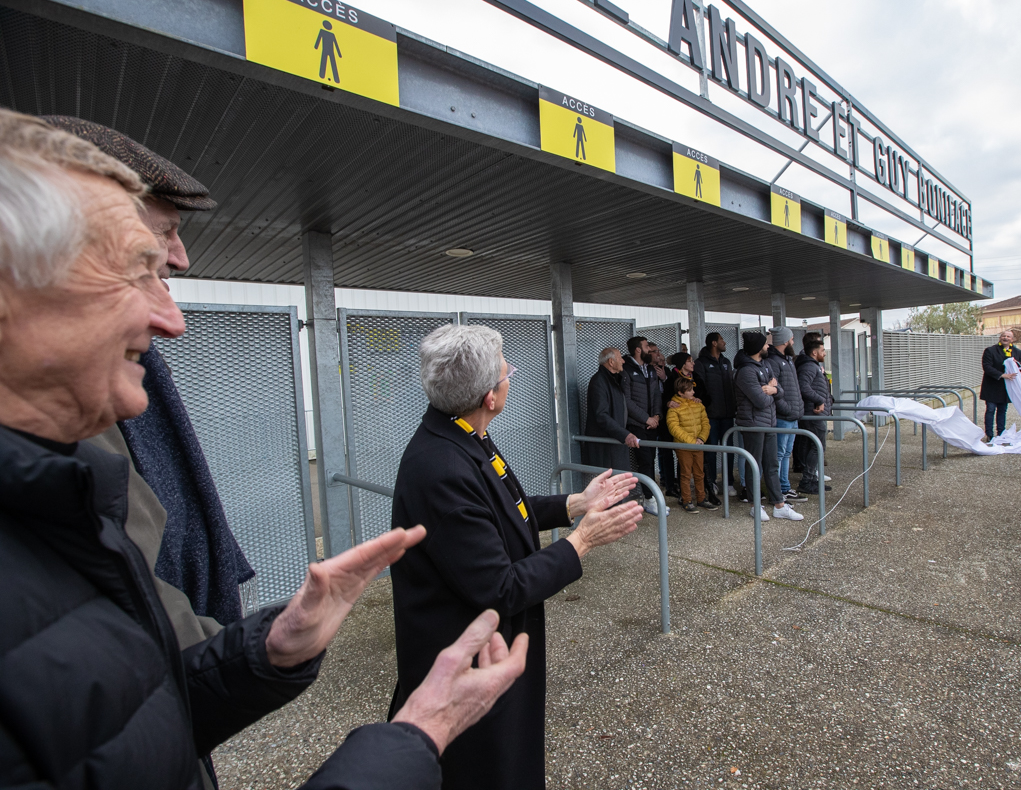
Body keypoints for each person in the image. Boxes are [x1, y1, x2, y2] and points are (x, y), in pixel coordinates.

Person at [0, 110, 524, 790]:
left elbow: (113, 724)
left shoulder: (59, 506)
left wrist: (263, 651)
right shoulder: (439, 456)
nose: (172, 319)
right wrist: (415, 739)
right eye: (140, 268)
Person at [388, 324, 644, 790]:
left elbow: (506, 513)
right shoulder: (442, 467)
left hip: (485, 654)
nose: (511, 375)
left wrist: (575, 505)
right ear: (490, 396)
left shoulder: (464, 433)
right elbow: (500, 586)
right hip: (466, 666)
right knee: (486, 770)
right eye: (508, 370)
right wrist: (582, 541)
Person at [41, 114, 251, 652]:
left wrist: (266, 652)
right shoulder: (60, 423)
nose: (181, 257)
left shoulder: (111, 380)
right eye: (159, 240)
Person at [734, 331, 803, 522]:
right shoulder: (746, 371)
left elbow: (779, 390)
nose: (768, 347)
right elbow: (760, 401)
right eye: (765, 345)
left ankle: (779, 504)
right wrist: (771, 392)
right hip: (754, 424)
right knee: (754, 465)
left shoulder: (764, 365)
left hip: (770, 423)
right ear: (757, 348)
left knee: (772, 464)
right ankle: (755, 505)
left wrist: (772, 389)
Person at [622, 335, 666, 514]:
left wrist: (656, 416)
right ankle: (649, 499)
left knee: (651, 460)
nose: (650, 350)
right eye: (647, 347)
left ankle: (651, 497)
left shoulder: (650, 369)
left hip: (651, 424)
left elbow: (656, 395)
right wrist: (645, 418)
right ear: (638, 349)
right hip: (637, 424)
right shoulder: (625, 369)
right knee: (645, 462)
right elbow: (626, 400)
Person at [764, 325, 805, 501]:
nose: (793, 342)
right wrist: (787, 408)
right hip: (783, 417)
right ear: (785, 341)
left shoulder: (788, 359)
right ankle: (779, 489)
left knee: (787, 453)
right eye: (792, 339)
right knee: (779, 454)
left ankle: (785, 486)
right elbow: (775, 389)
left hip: (792, 416)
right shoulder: (774, 361)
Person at [695, 332, 735, 503]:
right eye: (721, 340)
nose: (724, 342)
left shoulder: (726, 362)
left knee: (729, 450)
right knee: (710, 451)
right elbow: (699, 388)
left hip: (727, 415)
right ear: (713, 343)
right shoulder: (701, 363)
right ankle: (711, 483)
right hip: (710, 415)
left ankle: (729, 482)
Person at [666, 376, 716, 512]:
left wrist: (701, 439)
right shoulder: (674, 407)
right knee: (685, 474)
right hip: (684, 447)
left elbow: (705, 423)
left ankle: (701, 499)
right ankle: (687, 500)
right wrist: (691, 441)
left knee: (700, 473)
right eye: (689, 390)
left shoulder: (698, 404)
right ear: (681, 392)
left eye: (692, 389)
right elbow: (673, 428)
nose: (693, 392)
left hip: (698, 444)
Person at [584, 346, 638, 471]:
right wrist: (624, 434)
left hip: (616, 443)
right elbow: (601, 415)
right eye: (620, 358)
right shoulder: (599, 382)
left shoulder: (614, 380)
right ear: (611, 362)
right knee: (613, 485)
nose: (623, 361)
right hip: (607, 448)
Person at [795, 332, 833, 496]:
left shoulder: (813, 365)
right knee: (817, 447)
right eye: (823, 350)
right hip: (813, 413)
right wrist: (819, 400)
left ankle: (811, 479)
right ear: (814, 352)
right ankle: (807, 480)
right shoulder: (809, 366)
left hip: (817, 412)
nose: (825, 353)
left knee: (816, 446)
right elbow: (804, 387)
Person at [645, 341, 679, 500]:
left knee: (666, 451)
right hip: (648, 417)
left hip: (665, 416)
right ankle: (650, 489)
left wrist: (665, 378)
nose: (657, 354)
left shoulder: (667, 372)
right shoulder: (644, 370)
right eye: (653, 351)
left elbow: (674, 390)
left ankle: (670, 484)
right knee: (650, 453)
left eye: (658, 351)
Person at [980, 329, 1021, 440]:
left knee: (1002, 410)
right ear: (1000, 338)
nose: (1005, 338)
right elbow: (987, 367)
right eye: (1003, 336)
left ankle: (1001, 433)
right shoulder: (990, 350)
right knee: (991, 409)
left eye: (1008, 336)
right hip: (992, 385)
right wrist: (1002, 375)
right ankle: (989, 434)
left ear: (1013, 339)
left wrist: (1017, 364)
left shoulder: (1016, 352)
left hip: (1006, 387)